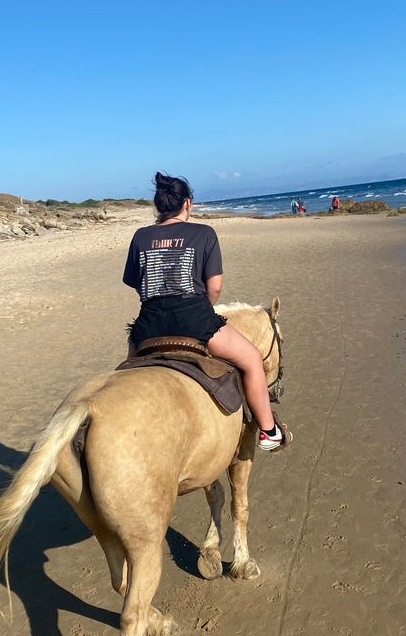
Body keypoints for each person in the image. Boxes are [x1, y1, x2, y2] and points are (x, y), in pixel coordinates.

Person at [123, 173, 287, 451]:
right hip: (194, 319)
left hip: (148, 325)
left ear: (158, 206)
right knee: (251, 360)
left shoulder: (141, 236)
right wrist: (201, 309)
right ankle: (269, 431)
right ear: (188, 203)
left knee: (126, 374)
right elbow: (215, 287)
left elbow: (136, 283)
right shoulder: (204, 233)